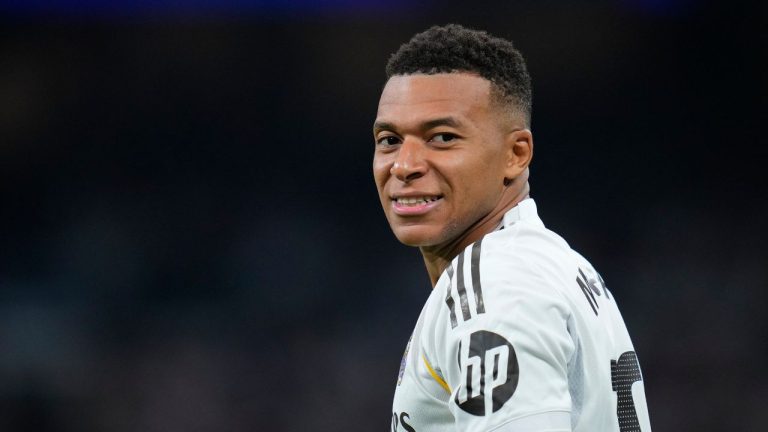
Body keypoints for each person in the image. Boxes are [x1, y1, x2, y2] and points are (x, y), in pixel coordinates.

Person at [372, 24, 651, 432]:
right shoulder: (552, 262)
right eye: (389, 140)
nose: (404, 165)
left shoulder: (495, 285)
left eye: (443, 137)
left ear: (516, 154)